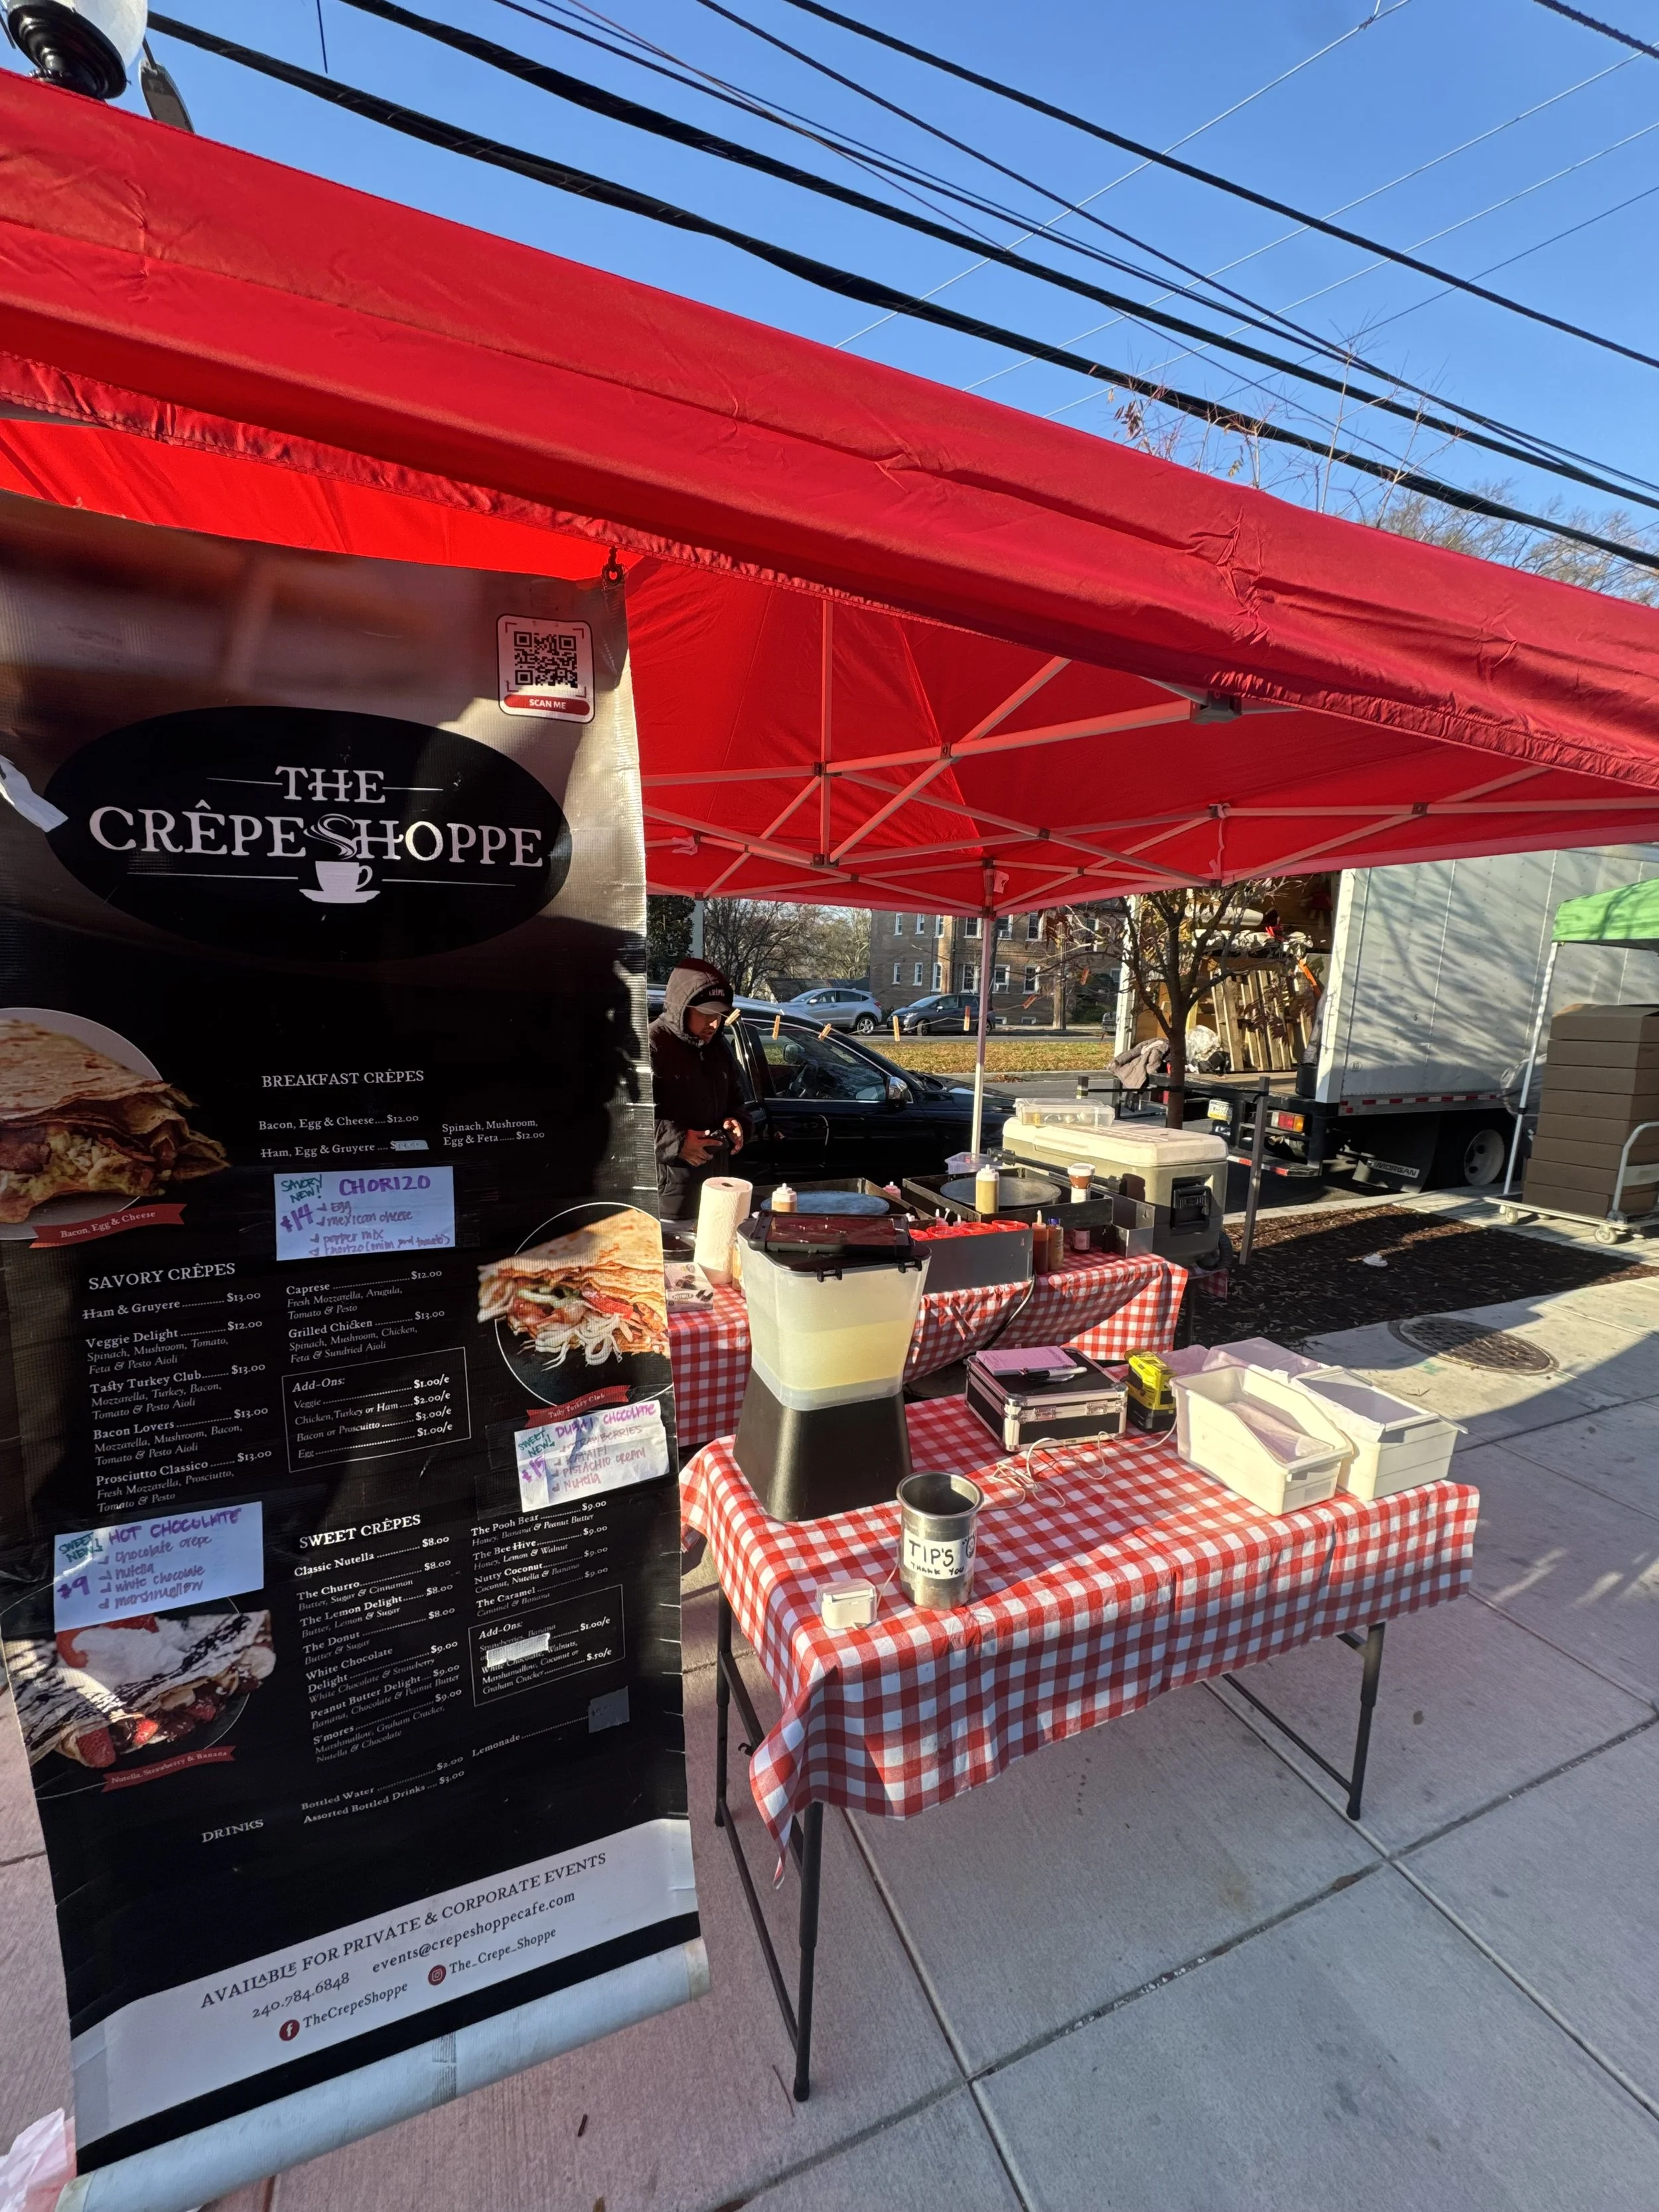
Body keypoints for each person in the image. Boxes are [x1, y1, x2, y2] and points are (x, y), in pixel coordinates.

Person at [650, 958, 749, 1220]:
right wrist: (678, 1142)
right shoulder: (651, 1045)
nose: (714, 1024)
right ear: (682, 1009)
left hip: (718, 1189)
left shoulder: (719, 1047)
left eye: (719, 1015)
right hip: (669, 1198)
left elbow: (737, 1099)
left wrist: (737, 1121)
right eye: (706, 1014)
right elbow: (626, 1122)